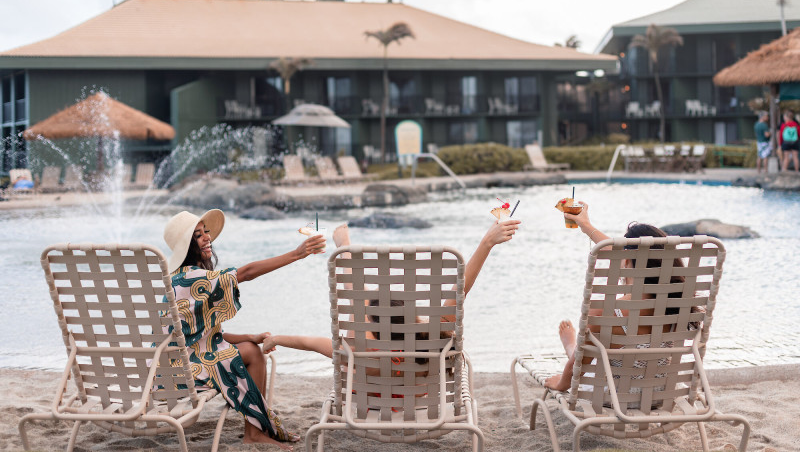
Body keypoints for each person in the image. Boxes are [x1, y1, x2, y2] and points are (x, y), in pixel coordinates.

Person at [163, 209, 325, 449]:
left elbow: (203, 338)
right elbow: (246, 273)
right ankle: (255, 433)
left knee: (250, 346)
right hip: (183, 371)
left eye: (206, 232)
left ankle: (257, 429)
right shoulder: (193, 278)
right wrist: (296, 254)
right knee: (252, 352)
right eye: (198, 235)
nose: (207, 237)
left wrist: (250, 336)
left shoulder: (176, 278)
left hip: (168, 366)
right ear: (186, 245)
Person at [261, 220, 520, 360]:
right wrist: (487, 242)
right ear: (412, 317)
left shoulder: (360, 350)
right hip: (424, 401)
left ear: (373, 325)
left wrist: (275, 339)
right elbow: (462, 287)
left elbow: (309, 342)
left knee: (355, 316)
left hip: (372, 403)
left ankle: (346, 250)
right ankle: (346, 250)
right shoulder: (434, 341)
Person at [543, 204, 697, 393]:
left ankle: (571, 346)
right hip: (664, 394)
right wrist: (586, 226)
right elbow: (625, 255)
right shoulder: (680, 304)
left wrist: (560, 384)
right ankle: (574, 346)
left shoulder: (606, 312)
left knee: (587, 354)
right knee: (596, 348)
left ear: (625, 261)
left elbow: (580, 367)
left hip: (618, 398)